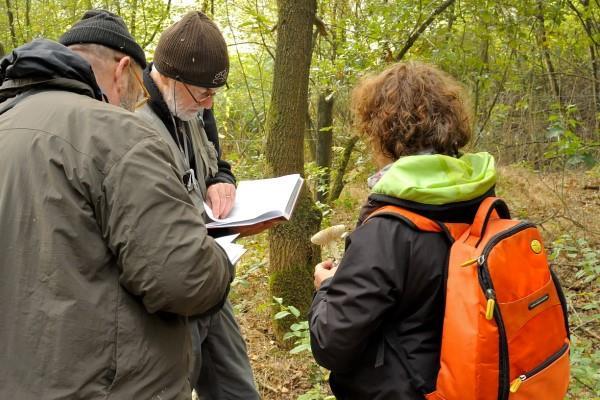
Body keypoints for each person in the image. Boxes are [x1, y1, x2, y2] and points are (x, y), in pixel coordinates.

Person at [0, 10, 233, 400]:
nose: (133, 102)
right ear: (123, 69)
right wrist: (221, 261)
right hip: (108, 384)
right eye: (136, 89)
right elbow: (182, 278)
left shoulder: (8, 126)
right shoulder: (114, 132)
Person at [309, 61, 497, 399]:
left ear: (382, 132)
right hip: (472, 382)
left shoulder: (388, 230)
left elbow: (331, 343)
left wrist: (328, 288)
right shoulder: (480, 201)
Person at [134, 11, 259, 400]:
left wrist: (223, 181)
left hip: (210, 279)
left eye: (214, 94)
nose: (209, 104)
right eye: (202, 93)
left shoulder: (192, 107)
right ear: (168, 76)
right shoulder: (129, 122)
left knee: (238, 390)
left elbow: (216, 162)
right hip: (168, 300)